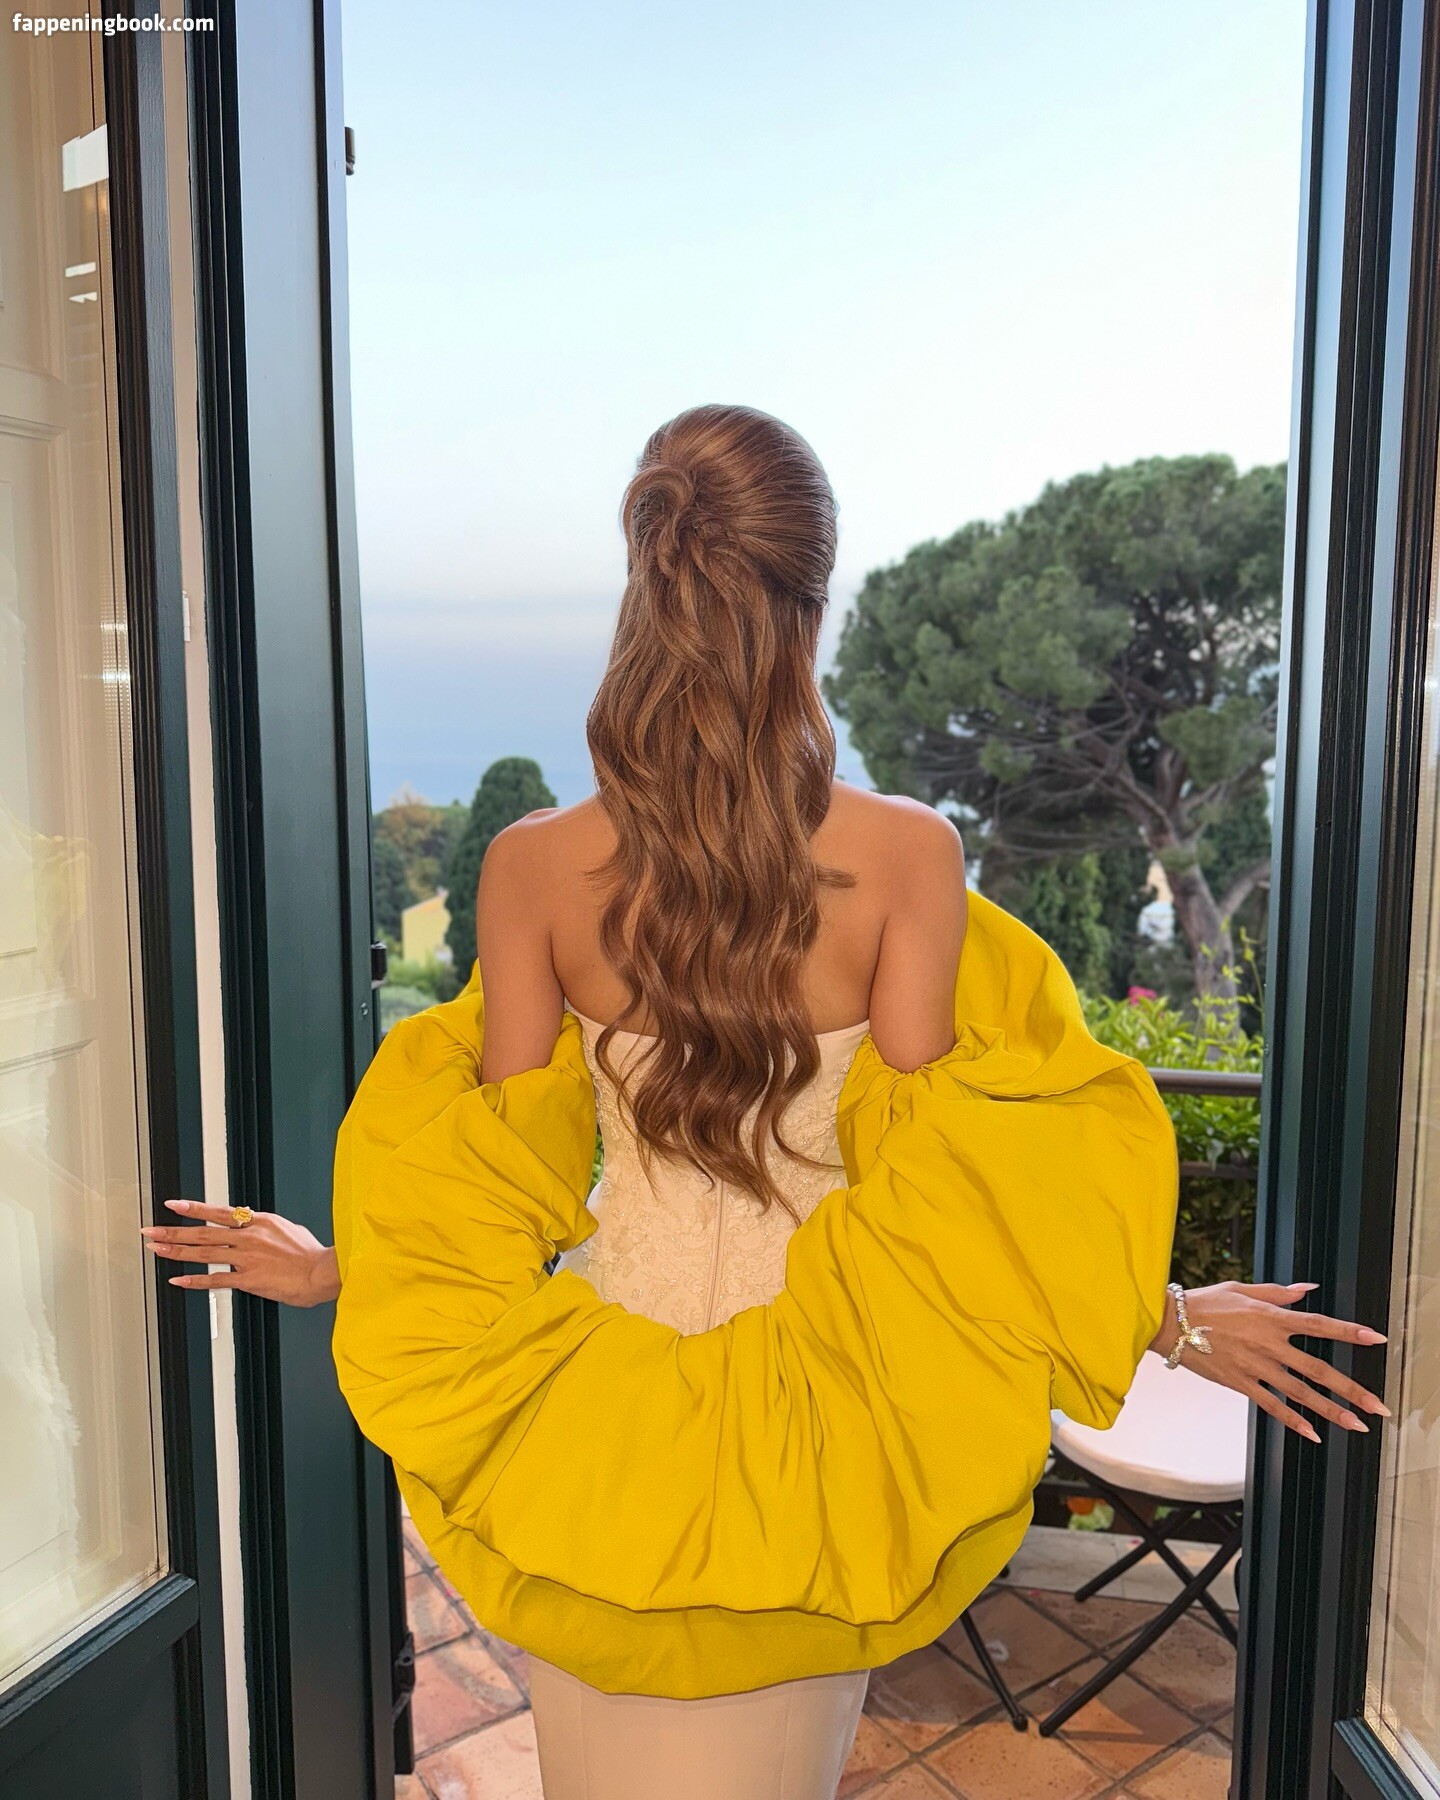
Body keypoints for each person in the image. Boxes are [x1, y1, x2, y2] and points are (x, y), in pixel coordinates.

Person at [145, 405, 1388, 1800]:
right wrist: (1165, 1319)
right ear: (812, 600)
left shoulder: (531, 867)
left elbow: (483, 1193)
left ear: (644, 581)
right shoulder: (909, 857)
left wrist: (340, 1270)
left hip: (590, 1445)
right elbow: (952, 1200)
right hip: (832, 1439)